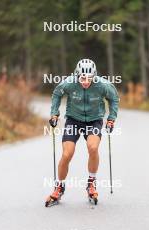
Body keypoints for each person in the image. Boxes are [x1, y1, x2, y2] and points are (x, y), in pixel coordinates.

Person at [46, 58, 119, 204]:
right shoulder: (69, 83)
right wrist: (54, 113)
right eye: (82, 78)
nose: (85, 81)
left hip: (94, 120)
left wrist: (111, 118)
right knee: (67, 154)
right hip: (73, 119)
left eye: (89, 78)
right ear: (77, 75)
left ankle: (91, 183)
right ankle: (59, 187)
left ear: (94, 76)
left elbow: (114, 98)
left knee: (93, 147)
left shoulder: (102, 85)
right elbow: (56, 94)